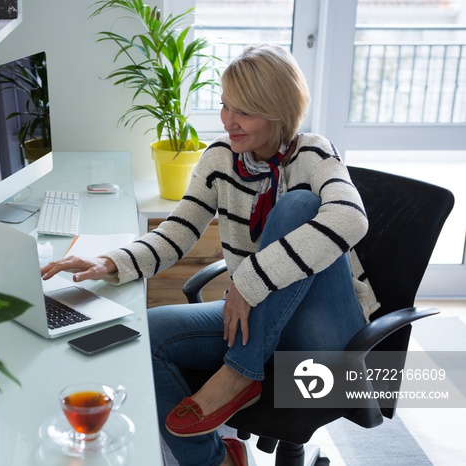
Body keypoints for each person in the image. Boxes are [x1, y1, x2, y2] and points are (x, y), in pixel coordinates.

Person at [40, 44, 379, 466]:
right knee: (145, 338)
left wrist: (248, 281)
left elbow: (350, 220)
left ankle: (240, 372)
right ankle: (216, 460)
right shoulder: (221, 157)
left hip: (324, 337)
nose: (227, 121)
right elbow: (177, 233)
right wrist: (110, 262)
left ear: (277, 111)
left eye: (244, 112)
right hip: (253, 320)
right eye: (224, 106)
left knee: (298, 207)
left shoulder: (313, 153)